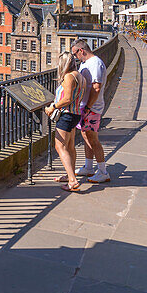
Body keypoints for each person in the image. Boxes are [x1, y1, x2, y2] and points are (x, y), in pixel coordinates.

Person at [72, 38, 111, 183]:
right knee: (86, 136)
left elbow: (96, 88)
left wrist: (88, 107)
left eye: (75, 54)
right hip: (85, 106)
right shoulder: (86, 63)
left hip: (92, 108)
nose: (75, 57)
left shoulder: (95, 63)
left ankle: (103, 171)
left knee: (93, 139)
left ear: (81, 50)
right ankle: (88, 167)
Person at [48, 52, 88, 192]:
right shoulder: (80, 76)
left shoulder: (68, 77)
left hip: (67, 115)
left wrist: (52, 107)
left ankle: (72, 180)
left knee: (60, 147)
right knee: (70, 146)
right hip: (76, 114)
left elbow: (67, 99)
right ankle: (69, 174)